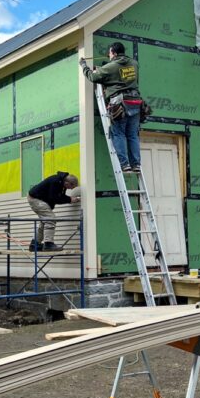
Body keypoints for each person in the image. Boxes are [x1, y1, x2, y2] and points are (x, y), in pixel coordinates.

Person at [80, 42, 143, 173]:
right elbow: (123, 75)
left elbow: (93, 76)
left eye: (109, 53)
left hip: (120, 103)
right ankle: (136, 164)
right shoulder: (134, 63)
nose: (109, 56)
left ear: (113, 52)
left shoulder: (111, 67)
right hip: (136, 102)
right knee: (132, 135)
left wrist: (84, 66)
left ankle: (125, 165)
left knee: (118, 133)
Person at [27, 172, 80, 252]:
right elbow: (54, 198)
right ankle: (48, 244)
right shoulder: (56, 182)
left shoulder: (61, 183)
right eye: (72, 186)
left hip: (36, 198)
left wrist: (70, 199)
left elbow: (59, 196)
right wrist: (70, 199)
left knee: (44, 222)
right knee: (51, 219)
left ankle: (35, 245)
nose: (71, 189)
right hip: (36, 199)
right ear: (67, 183)